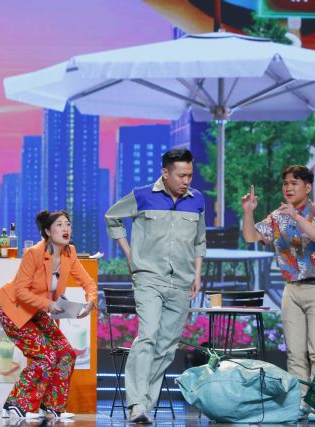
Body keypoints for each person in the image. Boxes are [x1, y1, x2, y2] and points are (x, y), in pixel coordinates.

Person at [105, 148, 206, 424]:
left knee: (167, 346)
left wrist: (197, 274)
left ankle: (144, 405)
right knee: (148, 335)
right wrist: (129, 253)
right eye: (181, 175)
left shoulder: (197, 200)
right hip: (148, 277)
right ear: (165, 173)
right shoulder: (142, 195)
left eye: (190, 175)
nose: (186, 180)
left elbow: (200, 241)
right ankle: (136, 403)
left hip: (182, 280)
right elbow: (112, 216)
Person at [241, 165, 315, 423]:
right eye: (286, 183)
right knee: (294, 353)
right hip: (292, 289)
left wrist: (296, 217)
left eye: (294, 183)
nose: (288, 188)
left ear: (308, 187)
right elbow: (251, 236)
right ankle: (300, 403)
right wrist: (248, 212)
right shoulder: (277, 216)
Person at [0, 210, 97, 420]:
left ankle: (52, 406)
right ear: (48, 232)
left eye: (67, 224)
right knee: (46, 355)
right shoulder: (34, 253)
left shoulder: (70, 252)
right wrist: (49, 304)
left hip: (37, 311)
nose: (65, 228)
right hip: (14, 310)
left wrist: (90, 301)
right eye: (59, 225)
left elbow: (88, 283)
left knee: (66, 353)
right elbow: (20, 292)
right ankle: (16, 403)